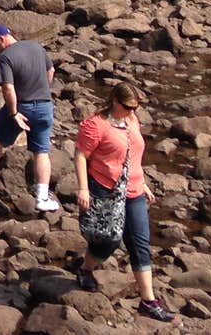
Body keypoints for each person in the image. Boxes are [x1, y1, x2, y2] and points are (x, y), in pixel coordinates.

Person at [74, 81, 175, 323]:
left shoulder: (132, 120)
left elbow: (135, 155)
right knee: (108, 239)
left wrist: (143, 183)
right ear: (115, 101)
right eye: (128, 107)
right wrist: (83, 189)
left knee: (140, 243)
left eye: (135, 108)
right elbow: (80, 155)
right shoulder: (95, 125)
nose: (131, 111)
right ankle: (85, 269)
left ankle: (148, 301)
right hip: (106, 190)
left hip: (134, 191)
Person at [0, 23, 62, 212]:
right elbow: (50, 71)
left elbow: (8, 88)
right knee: (41, 151)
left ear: (1, 39)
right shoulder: (36, 46)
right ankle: (42, 198)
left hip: (22, 106)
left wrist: (14, 112)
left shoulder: (6, 57)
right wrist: (42, 89)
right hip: (44, 106)